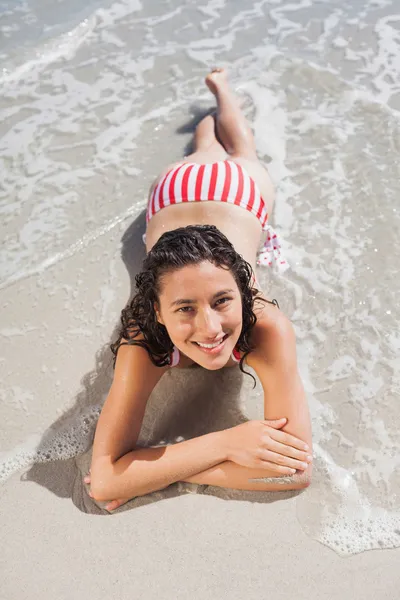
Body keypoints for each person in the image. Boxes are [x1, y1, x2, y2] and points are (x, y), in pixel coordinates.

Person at [84, 69, 313, 511]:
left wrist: (149, 473)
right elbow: (103, 483)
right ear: (156, 308)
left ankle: (222, 93)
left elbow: (296, 470)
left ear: (245, 291)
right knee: (223, 148)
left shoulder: (269, 327)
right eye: (184, 308)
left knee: (239, 151)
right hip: (176, 193)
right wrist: (228, 442)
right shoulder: (143, 330)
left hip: (237, 194)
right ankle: (216, 103)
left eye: (223, 300)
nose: (209, 328)